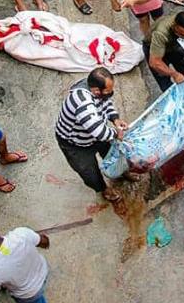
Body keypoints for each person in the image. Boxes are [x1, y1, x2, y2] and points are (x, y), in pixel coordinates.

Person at [54, 67, 128, 202]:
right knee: (90, 172)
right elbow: (99, 132)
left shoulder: (97, 89)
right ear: (95, 90)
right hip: (75, 143)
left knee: (112, 153)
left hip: (94, 133)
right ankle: (103, 189)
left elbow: (106, 102)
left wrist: (115, 118)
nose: (110, 93)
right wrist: (116, 133)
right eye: (107, 91)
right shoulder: (83, 102)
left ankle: (120, 172)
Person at [143, 11, 184, 92]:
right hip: (154, 48)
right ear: (174, 26)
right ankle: (174, 97)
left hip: (174, 44)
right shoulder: (160, 33)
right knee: (164, 80)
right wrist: (174, 74)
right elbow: (154, 62)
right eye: (182, 34)